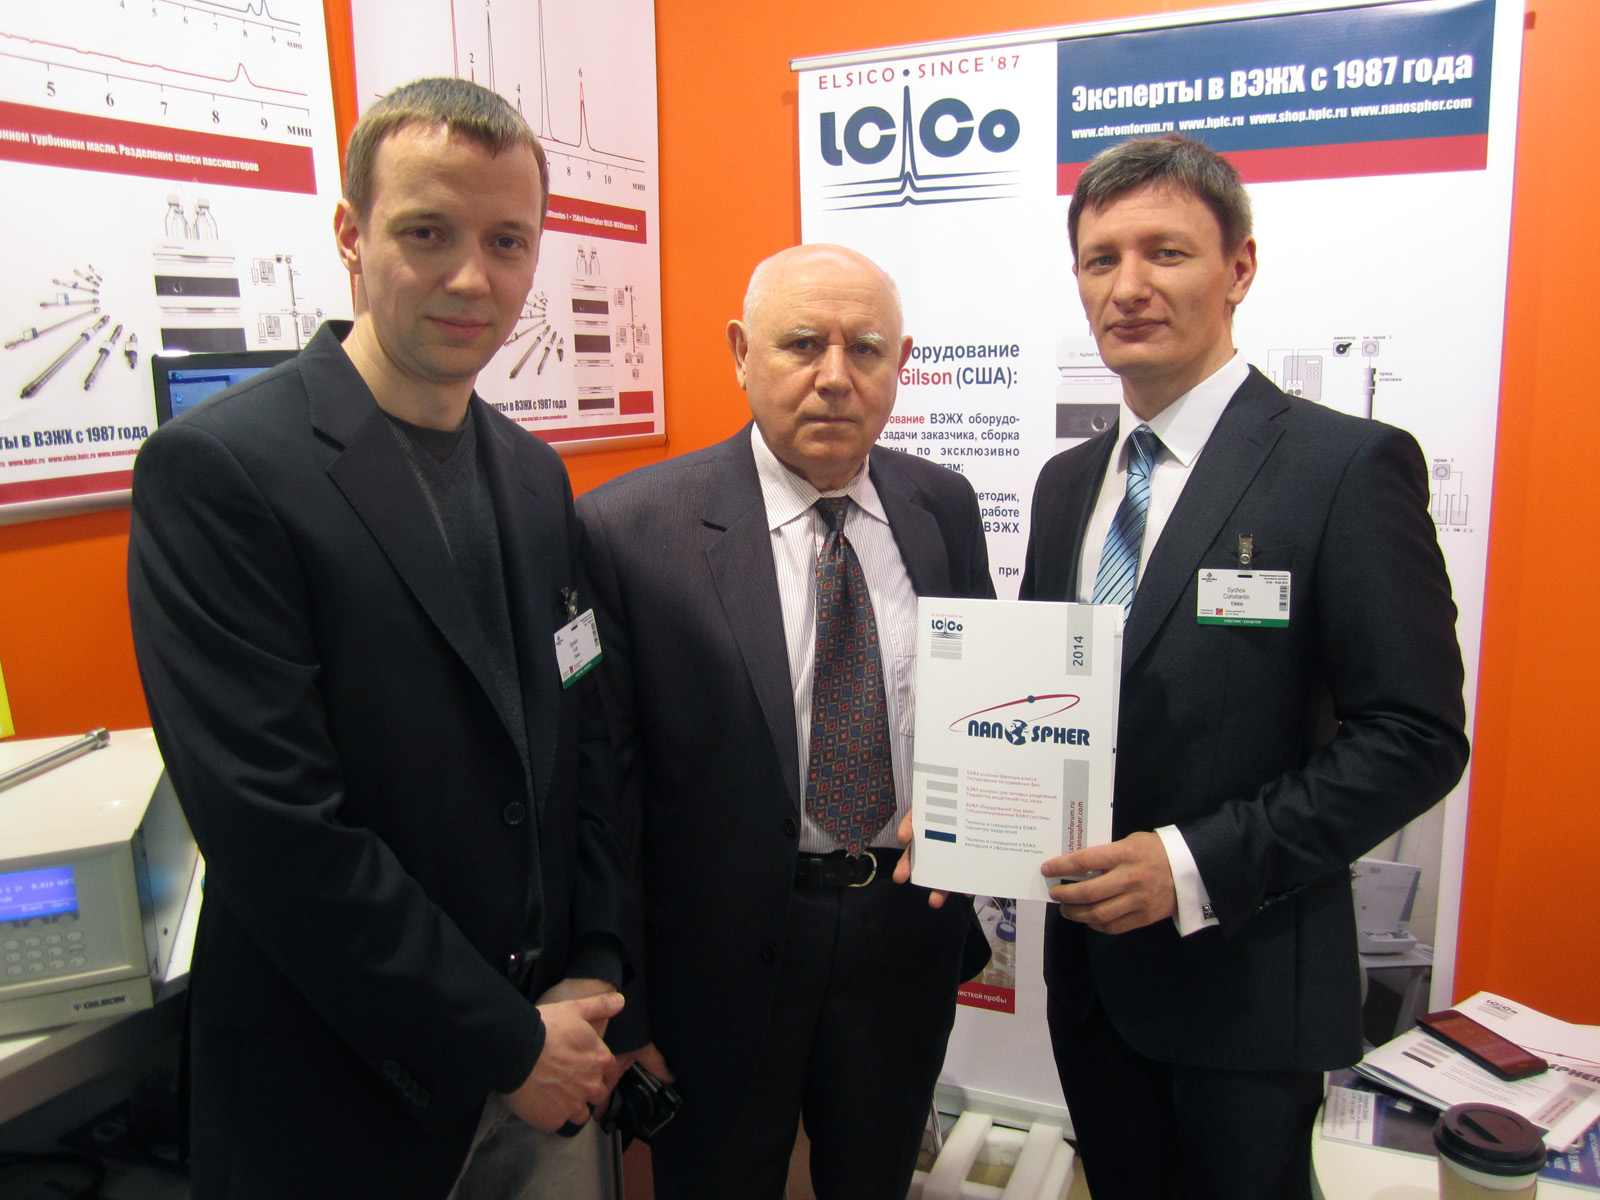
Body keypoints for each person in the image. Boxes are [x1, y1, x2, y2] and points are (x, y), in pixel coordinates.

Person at [127, 78, 629, 1200]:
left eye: (507, 241)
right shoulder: (224, 473)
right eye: (426, 233)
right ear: (351, 235)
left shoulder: (533, 476)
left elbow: (582, 737)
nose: (472, 277)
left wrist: (595, 963)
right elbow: (278, 832)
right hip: (351, 1095)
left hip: (552, 1050)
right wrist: (504, 1042)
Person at [1021, 135, 1469, 1199]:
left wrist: (1188, 866)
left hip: (1245, 990)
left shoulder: (1342, 467)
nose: (1128, 287)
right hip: (1088, 987)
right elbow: (1047, 703)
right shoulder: (1066, 483)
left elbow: (1414, 738)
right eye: (1100, 259)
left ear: (1239, 269)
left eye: (1166, 253)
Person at [577, 244, 993, 1199]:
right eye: (802, 344)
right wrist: (627, 998)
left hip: (901, 934)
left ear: (902, 361)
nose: (836, 377)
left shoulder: (943, 506)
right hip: (718, 959)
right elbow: (606, 793)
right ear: (740, 352)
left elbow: (977, 711)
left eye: (867, 349)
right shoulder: (631, 530)